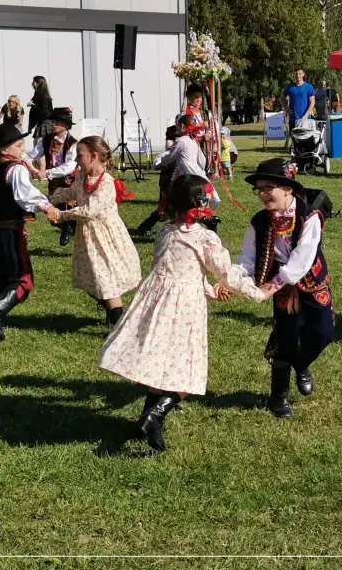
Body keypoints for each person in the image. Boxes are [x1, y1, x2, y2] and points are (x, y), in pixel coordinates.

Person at [99, 175, 271, 451]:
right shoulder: (204, 238)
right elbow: (228, 274)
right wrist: (259, 294)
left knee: (160, 366)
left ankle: (149, 424)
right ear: (200, 204)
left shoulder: (166, 231)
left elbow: (178, 269)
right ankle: (155, 414)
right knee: (187, 371)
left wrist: (211, 291)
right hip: (183, 307)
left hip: (156, 300)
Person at [233, 159, 335, 419]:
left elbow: (303, 258)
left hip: (310, 282)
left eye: (269, 188)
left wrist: (274, 283)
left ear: (288, 188)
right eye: (259, 189)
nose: (263, 194)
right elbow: (246, 259)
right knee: (285, 338)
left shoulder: (309, 215)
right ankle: (278, 398)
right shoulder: (260, 221)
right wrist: (234, 280)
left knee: (323, 332)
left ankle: (301, 364)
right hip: (281, 288)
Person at [49, 136, 142, 329]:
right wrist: (52, 198)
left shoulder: (106, 182)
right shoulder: (82, 175)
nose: (77, 161)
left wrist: (62, 215)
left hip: (105, 235)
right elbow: (73, 192)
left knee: (106, 278)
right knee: (92, 276)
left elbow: (90, 211)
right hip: (88, 235)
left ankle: (117, 322)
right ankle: (111, 310)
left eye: (80, 156)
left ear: (93, 156)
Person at [0, 123, 62, 341]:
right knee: (23, 281)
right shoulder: (15, 169)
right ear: (5, 150)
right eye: (18, 145)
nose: (22, 149)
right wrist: (47, 207)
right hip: (8, 232)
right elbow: (25, 196)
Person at [150, 114, 221, 232]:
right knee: (199, 200)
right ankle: (208, 220)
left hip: (188, 178)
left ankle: (186, 225)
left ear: (182, 126)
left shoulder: (181, 141)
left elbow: (170, 157)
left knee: (183, 201)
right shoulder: (193, 141)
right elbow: (202, 160)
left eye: (177, 126)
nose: (176, 129)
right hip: (199, 175)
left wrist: (158, 163)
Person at [29, 108, 78, 246]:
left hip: (69, 182)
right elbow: (31, 155)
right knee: (52, 215)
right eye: (54, 120)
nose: (54, 123)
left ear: (67, 125)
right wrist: (28, 165)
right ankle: (65, 228)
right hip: (54, 183)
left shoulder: (72, 143)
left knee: (70, 213)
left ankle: (72, 231)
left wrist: (47, 172)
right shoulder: (46, 140)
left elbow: (69, 166)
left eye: (58, 121)